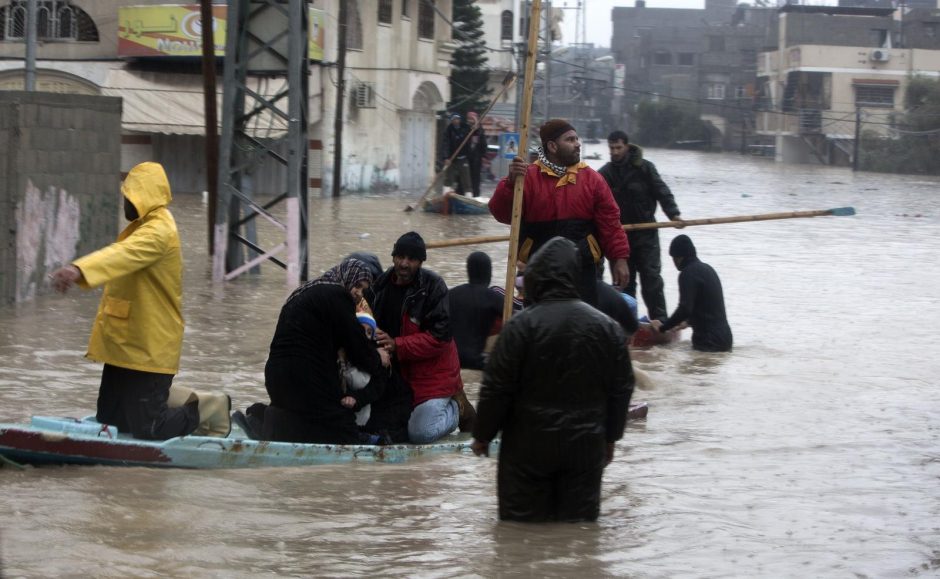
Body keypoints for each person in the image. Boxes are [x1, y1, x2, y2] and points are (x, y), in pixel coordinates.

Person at [49, 161, 230, 440]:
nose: (125, 204)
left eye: (129, 197)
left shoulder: (159, 231)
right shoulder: (141, 227)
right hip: (123, 342)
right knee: (111, 421)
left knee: (151, 428)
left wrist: (78, 270)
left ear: (144, 197)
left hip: (149, 344)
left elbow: (121, 255)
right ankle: (180, 402)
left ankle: (208, 408)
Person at [471, 237, 635, 522]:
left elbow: (496, 388)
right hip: (585, 449)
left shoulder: (519, 327)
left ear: (536, 278)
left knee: (520, 532)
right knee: (578, 532)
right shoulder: (607, 329)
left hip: (526, 450)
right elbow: (622, 388)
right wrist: (611, 437)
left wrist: (483, 434)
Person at [489, 118, 630, 307]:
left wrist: (620, 259)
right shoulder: (526, 178)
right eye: (570, 140)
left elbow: (611, 223)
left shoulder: (593, 180)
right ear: (553, 146)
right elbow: (502, 214)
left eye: (577, 139)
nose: (578, 144)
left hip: (583, 268)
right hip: (540, 270)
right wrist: (510, 184)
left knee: (583, 326)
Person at [253, 258, 391, 444]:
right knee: (338, 420)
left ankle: (264, 417)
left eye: (363, 290)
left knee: (303, 415)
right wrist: (378, 358)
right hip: (304, 377)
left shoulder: (306, 291)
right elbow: (355, 343)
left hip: (275, 377)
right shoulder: (337, 295)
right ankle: (360, 440)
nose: (359, 294)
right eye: (357, 286)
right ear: (347, 277)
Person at [367, 231, 476, 443]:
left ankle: (456, 408)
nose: (405, 264)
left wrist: (396, 345)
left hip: (432, 377)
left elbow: (440, 338)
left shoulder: (434, 287)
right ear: (393, 257)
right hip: (398, 378)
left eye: (412, 259)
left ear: (421, 262)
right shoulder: (380, 286)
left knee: (420, 433)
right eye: (400, 257)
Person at [598, 130, 684, 321]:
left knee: (652, 281)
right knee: (622, 284)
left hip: (646, 235)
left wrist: (674, 214)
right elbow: (593, 201)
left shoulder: (645, 168)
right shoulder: (605, 174)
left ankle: (660, 322)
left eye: (618, 148)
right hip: (620, 238)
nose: (615, 152)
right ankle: (625, 323)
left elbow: (662, 191)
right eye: (611, 148)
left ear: (627, 147)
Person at [651, 235, 733, 352]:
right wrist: (687, 322)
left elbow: (685, 309)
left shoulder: (687, 273)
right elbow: (708, 308)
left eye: (673, 258)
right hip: (725, 339)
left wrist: (663, 327)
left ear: (679, 257)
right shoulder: (708, 269)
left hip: (708, 341)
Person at [447, 251, 504, 370]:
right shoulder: (494, 297)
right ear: (489, 273)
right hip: (478, 359)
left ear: (468, 271)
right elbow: (516, 321)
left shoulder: (450, 294)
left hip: (449, 357)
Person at [461, 111, 490, 198]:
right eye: (469, 119)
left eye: (472, 119)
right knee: (463, 178)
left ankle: (475, 195)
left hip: (476, 160)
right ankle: (462, 194)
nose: (471, 121)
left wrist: (484, 156)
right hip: (465, 158)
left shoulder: (480, 130)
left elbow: (483, 144)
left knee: (475, 178)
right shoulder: (464, 128)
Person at [441, 113, 471, 195]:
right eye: (454, 119)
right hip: (452, 159)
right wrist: (446, 157)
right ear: (451, 120)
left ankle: (469, 197)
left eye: (457, 119)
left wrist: (475, 127)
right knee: (449, 179)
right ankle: (445, 196)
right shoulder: (448, 131)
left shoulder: (465, 128)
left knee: (466, 180)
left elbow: (475, 133)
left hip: (463, 158)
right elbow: (445, 144)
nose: (456, 121)